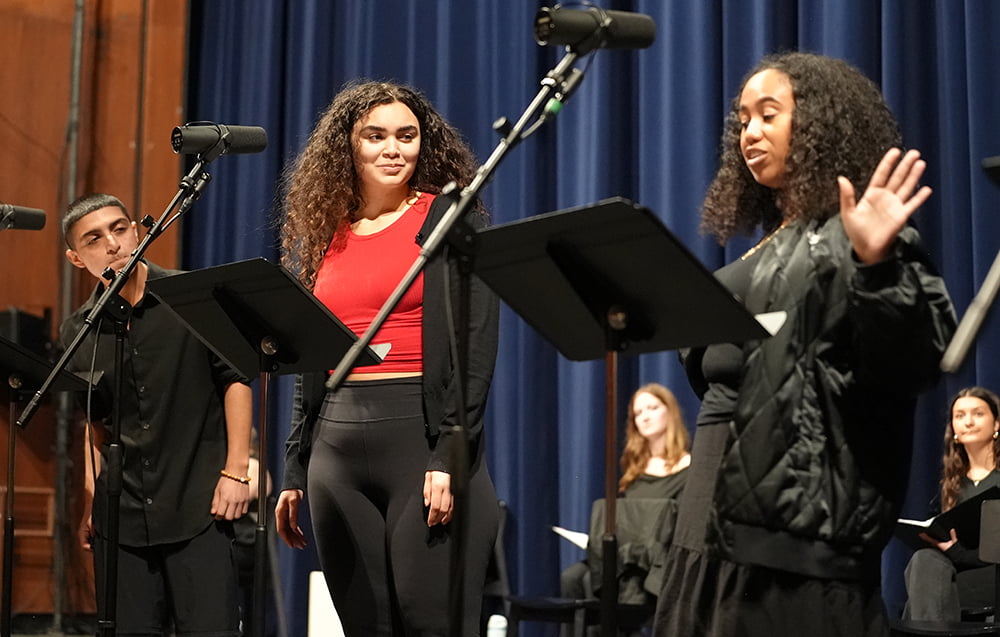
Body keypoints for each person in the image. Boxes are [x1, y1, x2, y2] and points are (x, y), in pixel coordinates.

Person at [652, 52, 957, 637]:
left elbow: (911, 358)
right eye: (742, 120)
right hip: (710, 527)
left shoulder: (861, 238)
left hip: (793, 545)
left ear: (817, 125)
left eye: (770, 115)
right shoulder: (767, 247)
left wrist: (876, 266)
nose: (751, 132)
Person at [274, 80, 500, 637]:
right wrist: (295, 467)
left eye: (407, 135)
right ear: (347, 146)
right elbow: (311, 360)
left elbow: (475, 345)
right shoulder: (326, 233)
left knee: (431, 625)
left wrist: (450, 452)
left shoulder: (449, 216)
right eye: (375, 136)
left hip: (420, 445)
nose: (392, 149)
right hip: (335, 452)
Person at [60, 193, 252, 636]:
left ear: (136, 230)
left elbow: (235, 378)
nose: (112, 243)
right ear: (75, 257)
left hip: (199, 503)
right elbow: (93, 423)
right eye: (94, 238)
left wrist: (236, 471)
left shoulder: (192, 297)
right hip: (122, 514)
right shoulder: (78, 329)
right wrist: (94, 500)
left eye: (120, 228)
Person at [560, 382, 691, 601]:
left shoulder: (688, 467)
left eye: (653, 408)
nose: (645, 417)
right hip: (622, 557)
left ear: (670, 412)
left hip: (653, 561)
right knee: (572, 577)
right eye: (638, 413)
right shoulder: (634, 470)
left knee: (593, 584)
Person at [903, 387, 1000, 621]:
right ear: (953, 428)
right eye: (959, 415)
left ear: (996, 424)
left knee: (923, 584)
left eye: (977, 414)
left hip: (993, 574)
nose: (968, 422)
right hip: (957, 573)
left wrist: (958, 554)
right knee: (923, 560)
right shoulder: (952, 483)